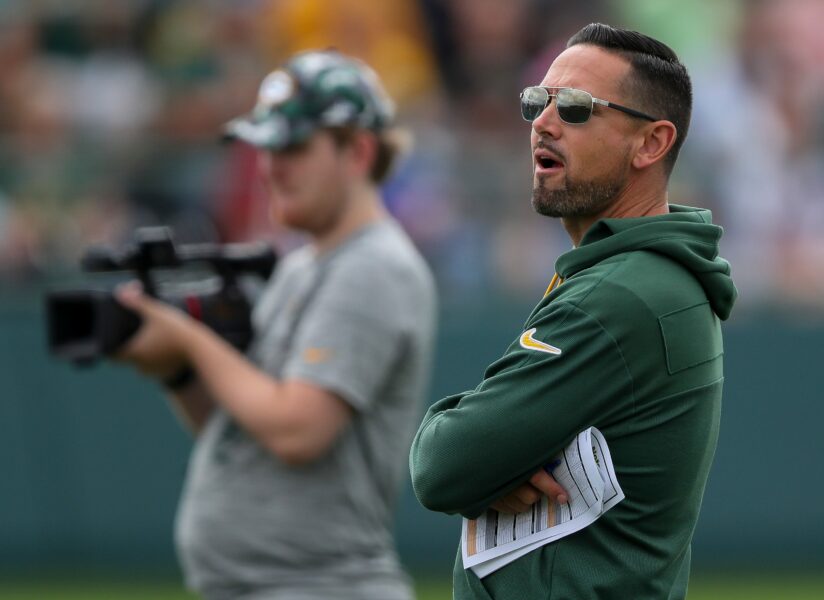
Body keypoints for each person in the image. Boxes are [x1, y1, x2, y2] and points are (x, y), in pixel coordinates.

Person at [410, 23, 737, 600]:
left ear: (652, 143)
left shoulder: (622, 294)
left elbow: (442, 463)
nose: (544, 121)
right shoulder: (636, 275)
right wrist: (499, 462)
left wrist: (488, 461)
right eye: (538, 101)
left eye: (578, 108)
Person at [115, 50, 437, 600]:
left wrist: (190, 340)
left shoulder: (373, 266)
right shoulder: (302, 263)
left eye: (291, 146)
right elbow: (244, 427)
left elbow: (296, 431)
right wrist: (177, 371)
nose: (268, 166)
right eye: (265, 147)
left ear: (357, 151)